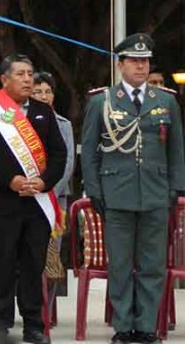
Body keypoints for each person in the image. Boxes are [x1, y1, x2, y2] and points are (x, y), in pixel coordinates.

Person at [81, 34, 185, 344]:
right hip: (117, 192)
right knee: (121, 265)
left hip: (155, 192)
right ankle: (123, 326)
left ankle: (146, 327)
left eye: (145, 61)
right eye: (135, 61)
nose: (141, 66)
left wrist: (175, 188)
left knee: (153, 265)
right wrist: (95, 190)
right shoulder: (102, 101)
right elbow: (89, 151)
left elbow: (176, 149)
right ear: (120, 64)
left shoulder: (165, 100)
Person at [0, 54, 66, 344]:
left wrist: (44, 181)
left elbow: (59, 154)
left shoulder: (42, 110)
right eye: (21, 74)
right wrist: (10, 180)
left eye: (30, 73)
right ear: (4, 79)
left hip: (37, 202)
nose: (27, 79)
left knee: (33, 264)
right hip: (4, 201)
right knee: (5, 262)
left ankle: (34, 325)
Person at [31, 71, 75, 310]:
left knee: (52, 254)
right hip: (27, 197)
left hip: (56, 198)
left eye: (48, 91)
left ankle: (47, 310)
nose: (43, 96)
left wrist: (48, 189)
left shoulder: (63, 125)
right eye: (38, 91)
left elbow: (67, 164)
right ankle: (31, 307)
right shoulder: (21, 123)